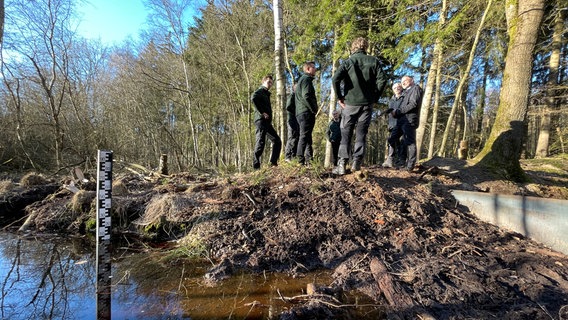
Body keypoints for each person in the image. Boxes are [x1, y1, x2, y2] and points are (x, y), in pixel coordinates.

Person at [331, 37, 387, 175]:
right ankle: (356, 162)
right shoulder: (374, 61)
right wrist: (374, 97)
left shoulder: (349, 62)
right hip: (366, 104)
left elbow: (335, 79)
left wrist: (340, 97)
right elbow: (382, 80)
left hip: (350, 103)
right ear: (365, 47)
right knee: (361, 133)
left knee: (346, 133)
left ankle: (342, 164)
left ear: (353, 47)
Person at [389, 75, 423, 171]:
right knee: (392, 139)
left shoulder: (415, 89)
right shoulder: (405, 92)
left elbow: (413, 104)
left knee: (410, 142)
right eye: (402, 81)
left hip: (410, 119)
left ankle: (410, 166)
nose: (403, 82)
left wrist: (398, 111)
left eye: (405, 80)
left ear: (412, 80)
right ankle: (400, 159)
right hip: (401, 120)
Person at [251, 75, 282, 169]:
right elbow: (253, 98)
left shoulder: (266, 93)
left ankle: (273, 163)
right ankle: (256, 167)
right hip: (260, 121)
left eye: (271, 83)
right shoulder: (260, 91)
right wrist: (262, 112)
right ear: (263, 82)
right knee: (260, 142)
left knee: (277, 141)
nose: (270, 84)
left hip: (267, 122)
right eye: (268, 82)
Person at [295, 61, 318, 165]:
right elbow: (306, 96)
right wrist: (313, 108)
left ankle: (309, 160)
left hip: (301, 112)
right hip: (305, 112)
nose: (315, 69)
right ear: (308, 69)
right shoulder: (306, 79)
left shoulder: (302, 80)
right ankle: (300, 160)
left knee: (307, 136)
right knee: (304, 136)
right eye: (313, 67)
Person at [382, 82, 406, 168]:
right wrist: (389, 124)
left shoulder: (405, 97)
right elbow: (390, 113)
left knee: (403, 141)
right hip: (393, 124)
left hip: (403, 123)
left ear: (401, 88)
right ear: (393, 90)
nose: (397, 89)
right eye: (395, 88)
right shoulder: (391, 100)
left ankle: (401, 160)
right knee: (392, 141)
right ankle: (390, 159)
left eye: (398, 87)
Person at [285, 85, 299, 162]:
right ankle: (287, 156)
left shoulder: (298, 98)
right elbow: (288, 107)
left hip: (297, 120)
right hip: (291, 119)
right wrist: (296, 112)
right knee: (291, 137)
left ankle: (293, 156)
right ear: (294, 89)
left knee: (296, 138)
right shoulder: (292, 96)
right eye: (297, 87)